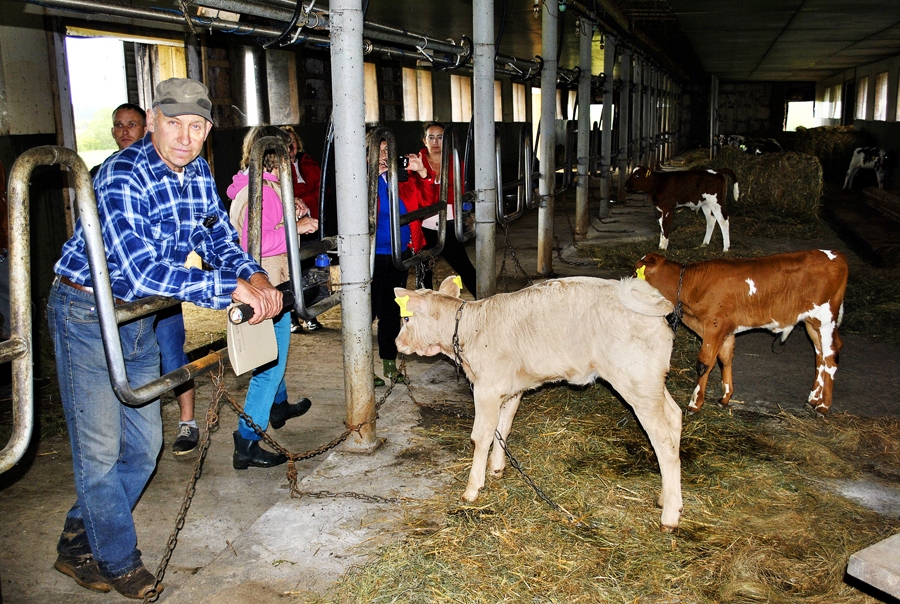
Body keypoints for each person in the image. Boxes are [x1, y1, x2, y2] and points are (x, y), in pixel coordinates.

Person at [49, 78, 284, 599]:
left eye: (196, 126)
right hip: (88, 310)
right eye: (173, 123)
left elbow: (215, 234)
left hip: (137, 319)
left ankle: (76, 538)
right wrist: (231, 287)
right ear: (153, 121)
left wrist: (255, 273)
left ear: (207, 132)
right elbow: (142, 272)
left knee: (146, 445)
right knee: (101, 450)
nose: (185, 136)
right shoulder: (121, 176)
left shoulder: (196, 169)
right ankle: (117, 558)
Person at [102, 103, 201, 456]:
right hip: (124, 292)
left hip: (164, 286)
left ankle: (187, 421)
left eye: (132, 124)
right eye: (119, 126)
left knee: (172, 350)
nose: (125, 131)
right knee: (122, 364)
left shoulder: (174, 169)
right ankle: (130, 436)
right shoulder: (108, 173)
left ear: (148, 128)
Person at [227, 125, 318, 469]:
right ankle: (246, 442)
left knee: (274, 354)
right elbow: (258, 243)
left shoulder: (262, 187)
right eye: (286, 152)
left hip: (270, 284)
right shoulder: (259, 192)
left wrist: (290, 211)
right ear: (274, 156)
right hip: (264, 289)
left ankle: (277, 405)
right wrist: (299, 229)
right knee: (268, 366)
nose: (292, 155)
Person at [369, 131, 428, 386]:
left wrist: (422, 172)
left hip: (398, 254)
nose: (384, 157)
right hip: (370, 257)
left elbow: (428, 201)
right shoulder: (361, 182)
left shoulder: (401, 180)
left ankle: (389, 364)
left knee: (392, 312)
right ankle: (361, 368)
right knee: (365, 313)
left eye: (388, 152)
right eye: (379, 152)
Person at [414, 122, 477, 297]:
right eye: (431, 137)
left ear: (447, 141)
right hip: (423, 225)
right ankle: (425, 311)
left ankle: (485, 302)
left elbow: (459, 193)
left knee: (465, 267)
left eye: (440, 137)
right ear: (424, 140)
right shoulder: (415, 163)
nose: (435, 142)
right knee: (423, 271)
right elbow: (415, 196)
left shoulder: (456, 163)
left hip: (449, 223)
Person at [281, 125, 325, 333]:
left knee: (310, 273)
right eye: (285, 142)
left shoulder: (309, 164)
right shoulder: (278, 169)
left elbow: (321, 192)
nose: (290, 146)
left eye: (293, 141)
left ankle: (310, 313)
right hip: (291, 228)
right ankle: (292, 316)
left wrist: (302, 199)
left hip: (312, 225)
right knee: (291, 272)